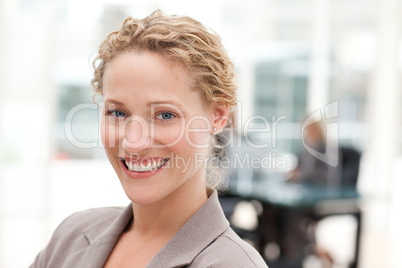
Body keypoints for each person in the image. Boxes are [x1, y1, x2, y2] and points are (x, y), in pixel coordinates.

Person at [30, 10, 267, 268]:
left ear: (218, 117)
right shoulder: (70, 237)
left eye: (165, 115)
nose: (134, 142)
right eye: (117, 112)